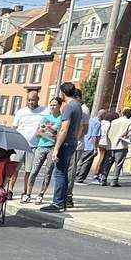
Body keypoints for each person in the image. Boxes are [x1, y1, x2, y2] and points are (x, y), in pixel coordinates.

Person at [43, 82, 83, 212]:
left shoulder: (68, 107)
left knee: (59, 173)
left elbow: (64, 129)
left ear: (63, 93)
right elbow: (80, 126)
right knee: (64, 172)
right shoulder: (78, 106)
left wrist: (56, 149)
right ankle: (63, 201)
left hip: (65, 143)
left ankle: (58, 203)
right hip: (73, 141)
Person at [22, 97, 62, 204]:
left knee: (48, 172)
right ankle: (28, 194)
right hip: (41, 146)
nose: (52, 107)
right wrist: (50, 132)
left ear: (59, 106)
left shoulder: (61, 119)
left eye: (55, 105)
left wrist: (47, 131)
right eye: (51, 104)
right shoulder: (45, 117)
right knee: (34, 171)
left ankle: (41, 194)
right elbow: (38, 133)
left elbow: (58, 135)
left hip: (52, 148)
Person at [12, 90, 44, 195]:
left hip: (34, 146)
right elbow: (14, 127)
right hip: (19, 145)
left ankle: (25, 192)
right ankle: (10, 190)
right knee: (14, 169)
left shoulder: (44, 111)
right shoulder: (21, 112)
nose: (31, 102)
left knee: (29, 171)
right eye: (29, 100)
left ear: (38, 99)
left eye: (33, 100)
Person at [97, 108, 131, 188]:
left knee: (107, 163)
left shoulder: (114, 121)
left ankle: (103, 179)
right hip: (121, 145)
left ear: (123, 113)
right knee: (118, 164)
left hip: (111, 145)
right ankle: (114, 180)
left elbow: (107, 131)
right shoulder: (129, 122)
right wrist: (127, 134)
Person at [75, 109, 104, 188]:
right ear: (102, 115)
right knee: (87, 163)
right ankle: (80, 178)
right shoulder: (97, 123)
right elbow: (94, 136)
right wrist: (95, 148)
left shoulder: (90, 120)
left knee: (81, 161)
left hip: (84, 143)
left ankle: (76, 175)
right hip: (90, 145)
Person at [94, 110, 114, 183]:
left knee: (101, 158)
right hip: (105, 142)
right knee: (102, 158)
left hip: (99, 141)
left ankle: (97, 174)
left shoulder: (101, 122)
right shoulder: (109, 124)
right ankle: (97, 174)